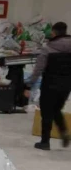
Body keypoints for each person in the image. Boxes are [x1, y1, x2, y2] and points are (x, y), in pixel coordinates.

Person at [25, 21, 71, 150]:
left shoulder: (48, 48)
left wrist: (29, 85)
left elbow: (38, 69)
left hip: (49, 84)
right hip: (66, 86)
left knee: (47, 113)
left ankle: (45, 142)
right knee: (56, 110)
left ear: (54, 32)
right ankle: (64, 132)